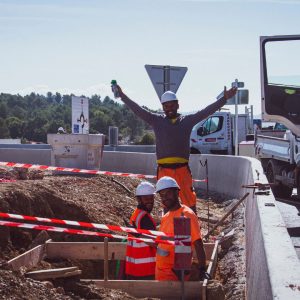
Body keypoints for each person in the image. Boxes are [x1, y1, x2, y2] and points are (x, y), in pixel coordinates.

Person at [115, 85, 237, 214]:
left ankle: (192, 228)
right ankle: (169, 230)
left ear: (178, 105)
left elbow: (206, 111)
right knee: (168, 202)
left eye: (172, 105)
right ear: (163, 107)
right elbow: (137, 110)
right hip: (164, 170)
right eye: (166, 106)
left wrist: (224, 99)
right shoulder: (156, 120)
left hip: (182, 170)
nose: (169, 108)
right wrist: (122, 96)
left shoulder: (187, 121)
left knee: (189, 201)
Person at [155, 176, 209, 281]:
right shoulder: (166, 217)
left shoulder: (186, 214)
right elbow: (161, 244)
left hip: (175, 277)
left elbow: (198, 243)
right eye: (162, 195)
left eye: (168, 193)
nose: (165, 198)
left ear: (177, 192)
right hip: (160, 274)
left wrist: (202, 269)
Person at [125, 181, 157, 280]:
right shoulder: (144, 217)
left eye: (151, 198)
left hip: (133, 269)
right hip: (146, 270)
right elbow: (155, 243)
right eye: (146, 198)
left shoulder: (136, 215)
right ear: (139, 199)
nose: (150, 201)